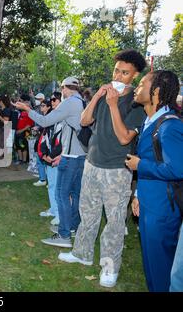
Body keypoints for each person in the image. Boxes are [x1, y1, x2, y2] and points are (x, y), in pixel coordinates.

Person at [58, 49, 147, 288]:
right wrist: (98, 96)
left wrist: (113, 105)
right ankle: (82, 253)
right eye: (116, 70)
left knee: (115, 222)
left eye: (125, 73)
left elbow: (123, 138)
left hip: (117, 170)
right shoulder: (104, 94)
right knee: (88, 214)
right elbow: (84, 121)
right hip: (92, 163)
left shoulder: (137, 103)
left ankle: (109, 267)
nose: (118, 76)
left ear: (135, 76)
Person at [125, 70, 183, 292]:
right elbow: (153, 159)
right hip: (149, 202)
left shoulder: (170, 125)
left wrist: (140, 166)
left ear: (156, 91)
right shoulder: (150, 121)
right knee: (150, 264)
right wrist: (138, 195)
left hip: (163, 208)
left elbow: (177, 169)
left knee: (161, 268)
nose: (137, 89)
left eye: (141, 84)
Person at [15, 76, 87, 248]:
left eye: (62, 89)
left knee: (62, 194)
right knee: (75, 194)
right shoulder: (82, 102)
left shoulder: (70, 102)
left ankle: (64, 234)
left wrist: (27, 109)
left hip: (71, 157)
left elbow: (45, 120)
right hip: (80, 155)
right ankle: (73, 227)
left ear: (65, 88)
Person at [38, 96, 62, 225]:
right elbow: (45, 138)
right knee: (51, 185)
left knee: (59, 187)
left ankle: (59, 214)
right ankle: (53, 209)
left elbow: (63, 142)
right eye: (51, 100)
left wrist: (53, 155)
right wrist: (45, 155)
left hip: (58, 159)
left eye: (55, 100)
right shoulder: (50, 119)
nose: (52, 102)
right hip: (49, 159)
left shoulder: (64, 119)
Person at [14, 94, 34, 165]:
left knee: (24, 146)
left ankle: (24, 160)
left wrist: (21, 130)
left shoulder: (29, 112)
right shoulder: (22, 112)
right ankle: (20, 159)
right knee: (18, 146)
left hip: (24, 132)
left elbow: (29, 124)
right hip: (19, 131)